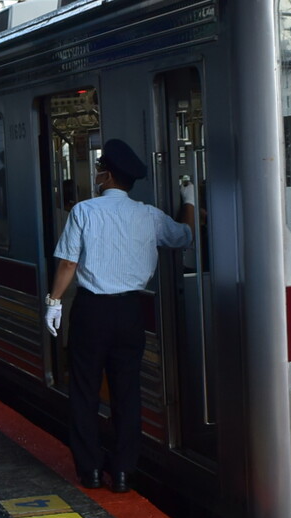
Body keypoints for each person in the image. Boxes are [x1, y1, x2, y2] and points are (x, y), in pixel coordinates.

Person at [46, 139, 197, 493]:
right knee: (126, 393)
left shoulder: (84, 211)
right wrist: (189, 200)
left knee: (84, 391)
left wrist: (54, 301)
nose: (97, 172)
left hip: (91, 311)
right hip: (131, 311)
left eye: (100, 168)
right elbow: (185, 236)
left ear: (107, 176)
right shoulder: (149, 216)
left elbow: (68, 264)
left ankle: (90, 470)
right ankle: (124, 471)